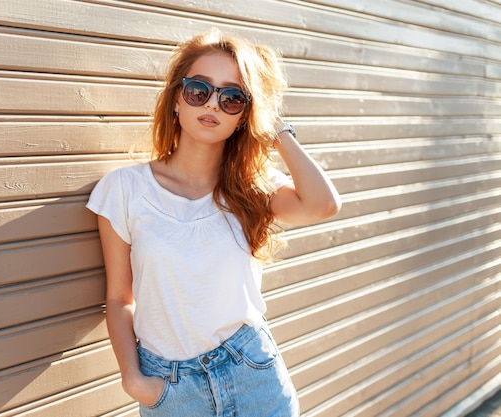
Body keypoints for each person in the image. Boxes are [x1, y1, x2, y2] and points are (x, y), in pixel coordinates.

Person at [86, 28, 341, 417]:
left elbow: (323, 204)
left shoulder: (254, 189)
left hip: (254, 372)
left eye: (233, 97)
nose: (213, 104)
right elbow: (121, 298)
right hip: (171, 388)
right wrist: (133, 380)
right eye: (199, 90)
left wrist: (276, 128)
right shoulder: (124, 189)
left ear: (244, 115)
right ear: (177, 99)